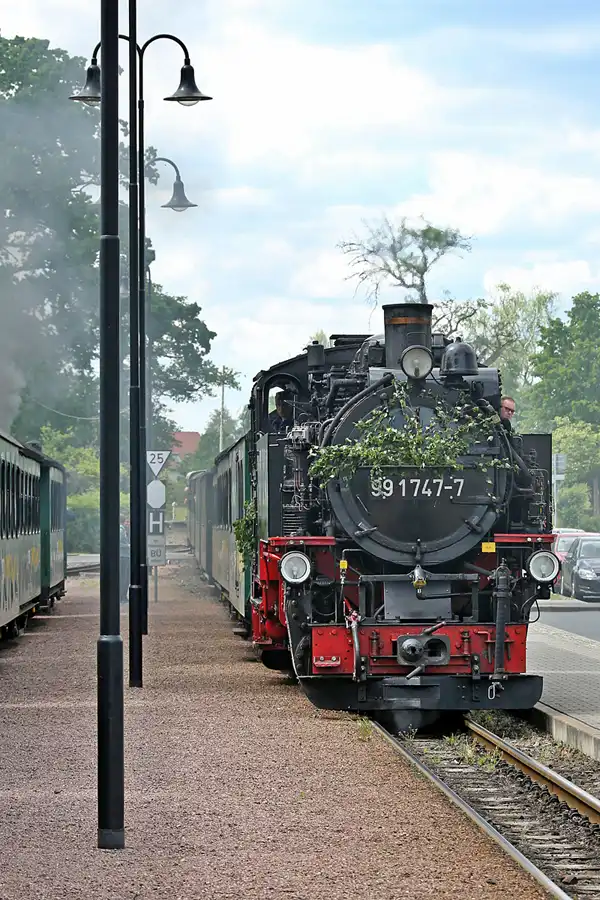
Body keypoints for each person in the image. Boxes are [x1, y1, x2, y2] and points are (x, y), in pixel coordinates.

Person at [119, 518, 130, 605]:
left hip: (124, 556)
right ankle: (122, 597)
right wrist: (128, 546)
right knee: (124, 577)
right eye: (127, 522)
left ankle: (123, 596)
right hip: (123, 556)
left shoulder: (123, 530)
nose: (128, 524)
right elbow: (118, 543)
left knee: (125, 577)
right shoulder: (121, 530)